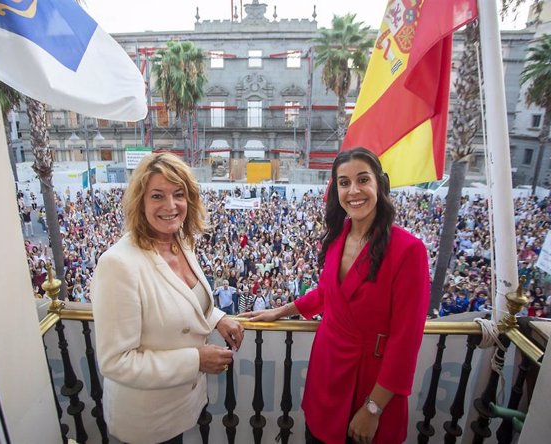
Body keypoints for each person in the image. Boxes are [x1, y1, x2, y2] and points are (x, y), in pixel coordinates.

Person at [241, 148, 430, 444]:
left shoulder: (409, 250)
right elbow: (330, 292)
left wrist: (374, 407)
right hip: (327, 370)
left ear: (380, 184)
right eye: (344, 182)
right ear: (336, 190)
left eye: (362, 180)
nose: (353, 191)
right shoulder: (336, 237)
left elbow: (406, 340)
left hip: (372, 383)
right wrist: (280, 311)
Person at [91, 153, 245, 444]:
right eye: (157, 196)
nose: (171, 206)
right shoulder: (118, 264)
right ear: (140, 202)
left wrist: (217, 317)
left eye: (179, 194)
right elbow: (116, 362)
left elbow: (181, 299)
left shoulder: (180, 241)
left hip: (180, 407)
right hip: (145, 421)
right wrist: (196, 360)